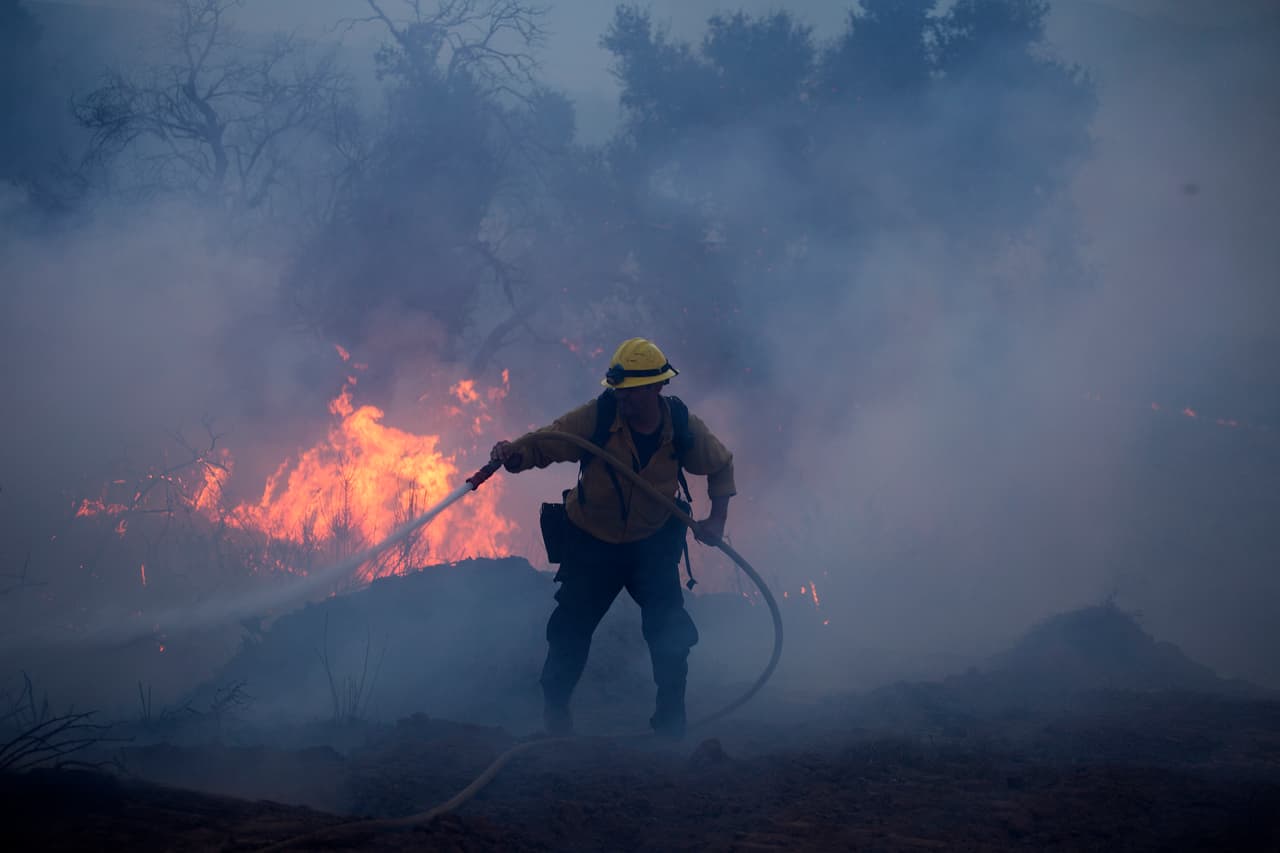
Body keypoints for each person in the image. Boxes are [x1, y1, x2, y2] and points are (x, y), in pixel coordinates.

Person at [489, 338, 736, 738]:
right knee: (568, 631)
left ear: (656, 387)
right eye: (618, 390)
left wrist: (717, 520)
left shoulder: (681, 425)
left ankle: (671, 722)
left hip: (652, 545)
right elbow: (551, 440)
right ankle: (556, 716)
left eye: (631, 391)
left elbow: (720, 465)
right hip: (592, 544)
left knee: (670, 632)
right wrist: (515, 455)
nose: (622, 398)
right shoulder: (600, 416)